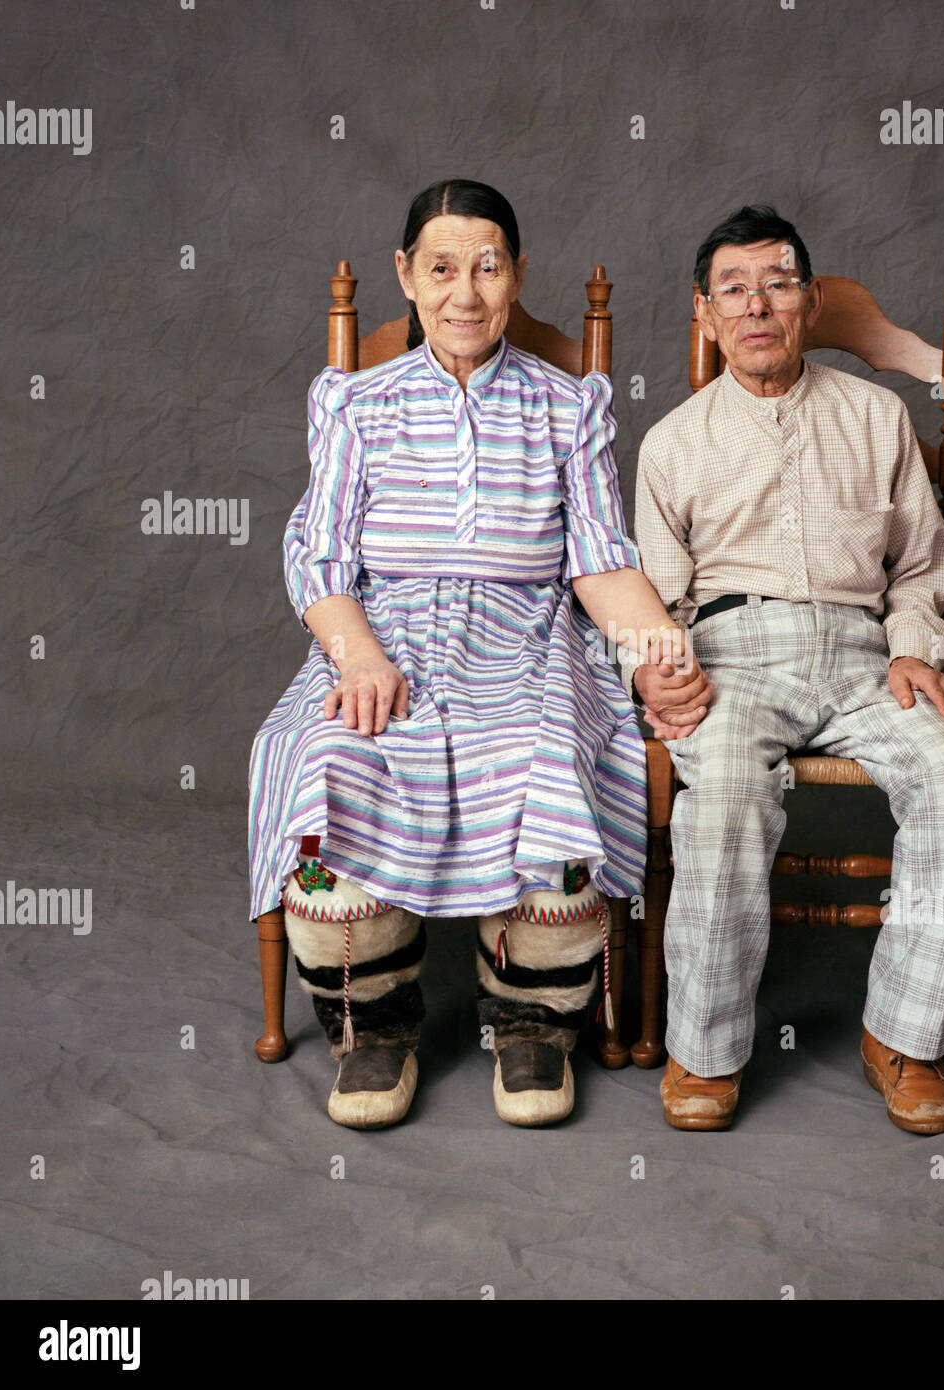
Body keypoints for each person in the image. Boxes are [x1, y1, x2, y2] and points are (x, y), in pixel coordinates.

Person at [247, 179, 711, 1130]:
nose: (465, 292)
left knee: (556, 759)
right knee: (334, 757)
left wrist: (660, 645)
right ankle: (372, 1024)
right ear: (405, 277)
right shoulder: (353, 403)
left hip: (531, 633)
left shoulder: (568, 403)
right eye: (443, 267)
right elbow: (321, 555)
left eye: (488, 267)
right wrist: (359, 657)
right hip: (382, 633)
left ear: (517, 277)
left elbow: (598, 561)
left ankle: (531, 1021)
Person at [619, 205, 944, 1135]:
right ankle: (704, 1052)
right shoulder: (673, 442)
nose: (757, 307)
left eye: (778, 284)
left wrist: (916, 645)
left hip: (867, 655)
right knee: (718, 799)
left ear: (811, 300)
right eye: (733, 290)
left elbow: (918, 569)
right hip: (730, 656)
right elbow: (653, 606)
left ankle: (904, 1038)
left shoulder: (878, 416)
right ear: (705, 314)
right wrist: (653, 674)